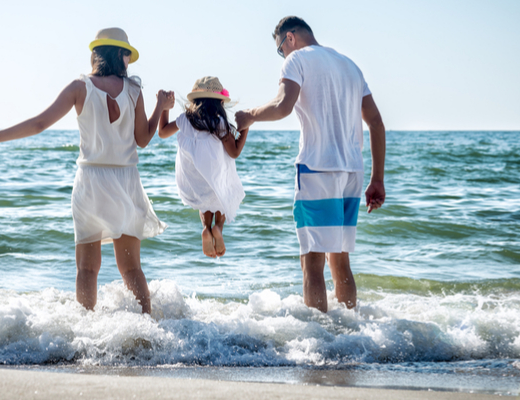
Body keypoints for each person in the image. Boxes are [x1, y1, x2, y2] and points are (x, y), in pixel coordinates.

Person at [0, 28, 174, 314]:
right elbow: (143, 139)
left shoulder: (79, 87)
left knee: (87, 269)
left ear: (96, 54)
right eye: (127, 55)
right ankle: (147, 332)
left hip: (89, 182)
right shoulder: (134, 90)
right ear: (120, 55)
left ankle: (84, 332)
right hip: (125, 181)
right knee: (131, 268)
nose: (129, 61)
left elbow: (40, 124)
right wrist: (161, 107)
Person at [235, 16, 386, 312]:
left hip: (317, 168)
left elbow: (282, 107)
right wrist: (377, 179)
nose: (282, 55)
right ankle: (351, 337)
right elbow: (377, 122)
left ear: (290, 37)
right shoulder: (350, 65)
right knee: (339, 260)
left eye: (280, 49)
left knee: (312, 262)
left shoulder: (297, 60)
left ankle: (320, 346)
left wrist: (249, 116)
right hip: (352, 172)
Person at [158, 77, 248, 258]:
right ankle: (218, 228)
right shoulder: (219, 123)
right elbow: (234, 152)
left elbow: (162, 132)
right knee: (221, 200)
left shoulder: (185, 120)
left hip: (193, 178)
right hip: (215, 177)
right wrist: (245, 128)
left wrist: (164, 108)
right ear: (219, 103)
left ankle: (206, 228)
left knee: (204, 203)